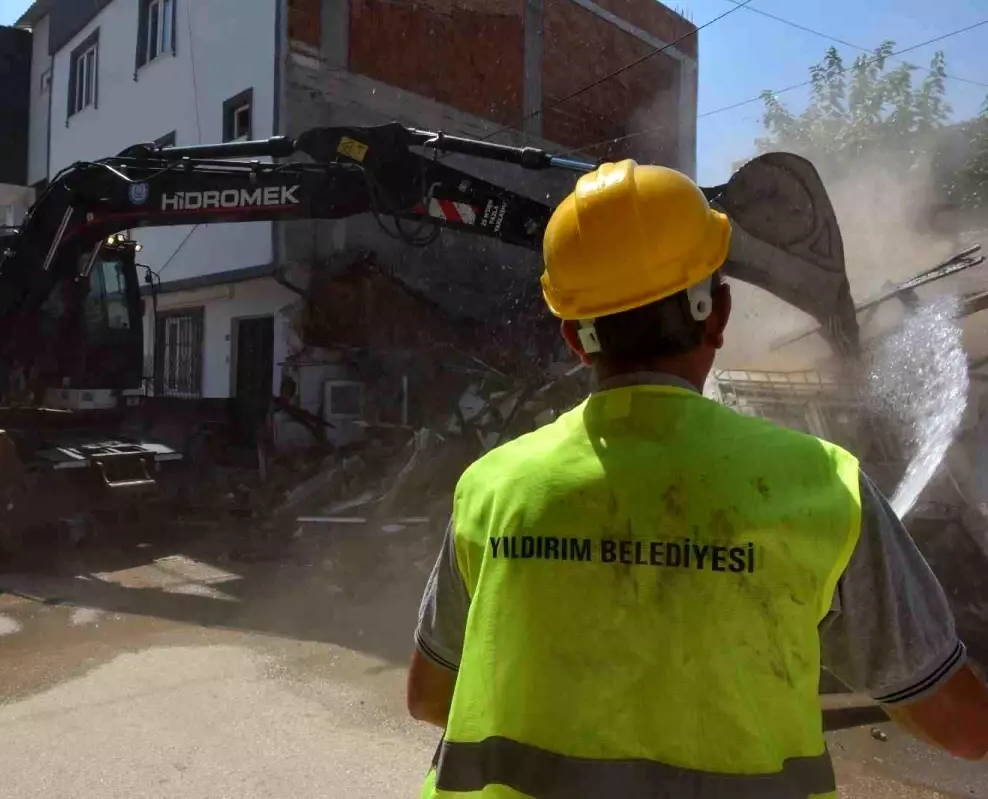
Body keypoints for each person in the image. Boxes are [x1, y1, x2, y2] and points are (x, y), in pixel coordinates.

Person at [407, 159, 988, 798]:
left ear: (575, 338)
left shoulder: (490, 488)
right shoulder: (823, 485)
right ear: (718, 314)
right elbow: (962, 728)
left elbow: (431, 698)